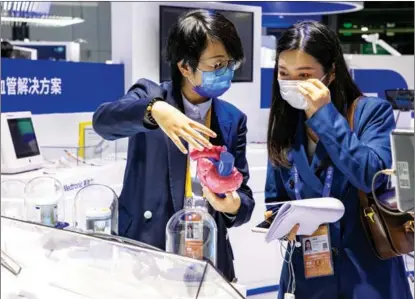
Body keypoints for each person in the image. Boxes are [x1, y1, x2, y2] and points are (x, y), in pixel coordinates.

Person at [93, 9, 254, 281]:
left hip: (208, 255)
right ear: (185, 67)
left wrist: (233, 205)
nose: (226, 73)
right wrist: (154, 111)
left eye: (230, 64)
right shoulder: (151, 96)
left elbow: (245, 197)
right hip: (146, 253)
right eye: (216, 65)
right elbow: (103, 122)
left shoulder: (232, 119)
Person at [265, 21, 412, 299]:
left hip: (367, 278)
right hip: (309, 277)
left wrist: (324, 114)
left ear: (330, 74)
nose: (293, 83)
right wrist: (281, 224)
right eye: (284, 74)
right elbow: (275, 200)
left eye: (304, 74)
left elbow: (370, 175)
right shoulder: (284, 126)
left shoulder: (371, 113)